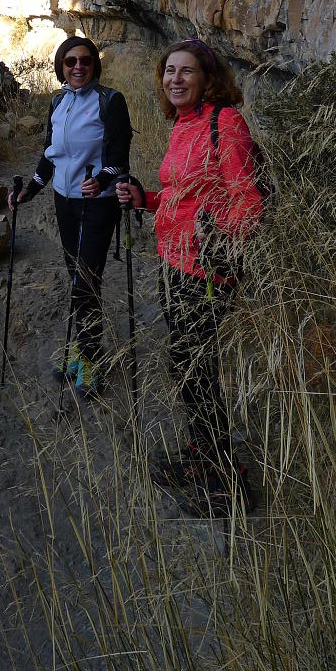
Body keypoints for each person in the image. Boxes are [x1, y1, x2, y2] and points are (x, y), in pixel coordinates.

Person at [117, 38, 263, 514]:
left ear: (208, 79)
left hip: (204, 272)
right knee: (185, 366)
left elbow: (248, 200)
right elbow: (182, 194)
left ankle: (229, 482)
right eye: (169, 71)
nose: (175, 79)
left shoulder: (226, 122)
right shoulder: (184, 123)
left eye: (186, 71)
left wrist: (218, 246)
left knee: (197, 371)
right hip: (173, 262)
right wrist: (147, 200)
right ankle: (203, 457)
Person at [9, 36, 131, 397]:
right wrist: (30, 190)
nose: (78, 67)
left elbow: (119, 159)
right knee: (75, 277)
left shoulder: (110, 101)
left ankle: (91, 358)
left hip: (98, 204)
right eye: (71, 61)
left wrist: (102, 180)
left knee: (85, 282)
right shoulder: (57, 101)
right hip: (64, 202)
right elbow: (51, 154)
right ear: (61, 66)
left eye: (85, 61)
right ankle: (83, 347)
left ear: (95, 64)